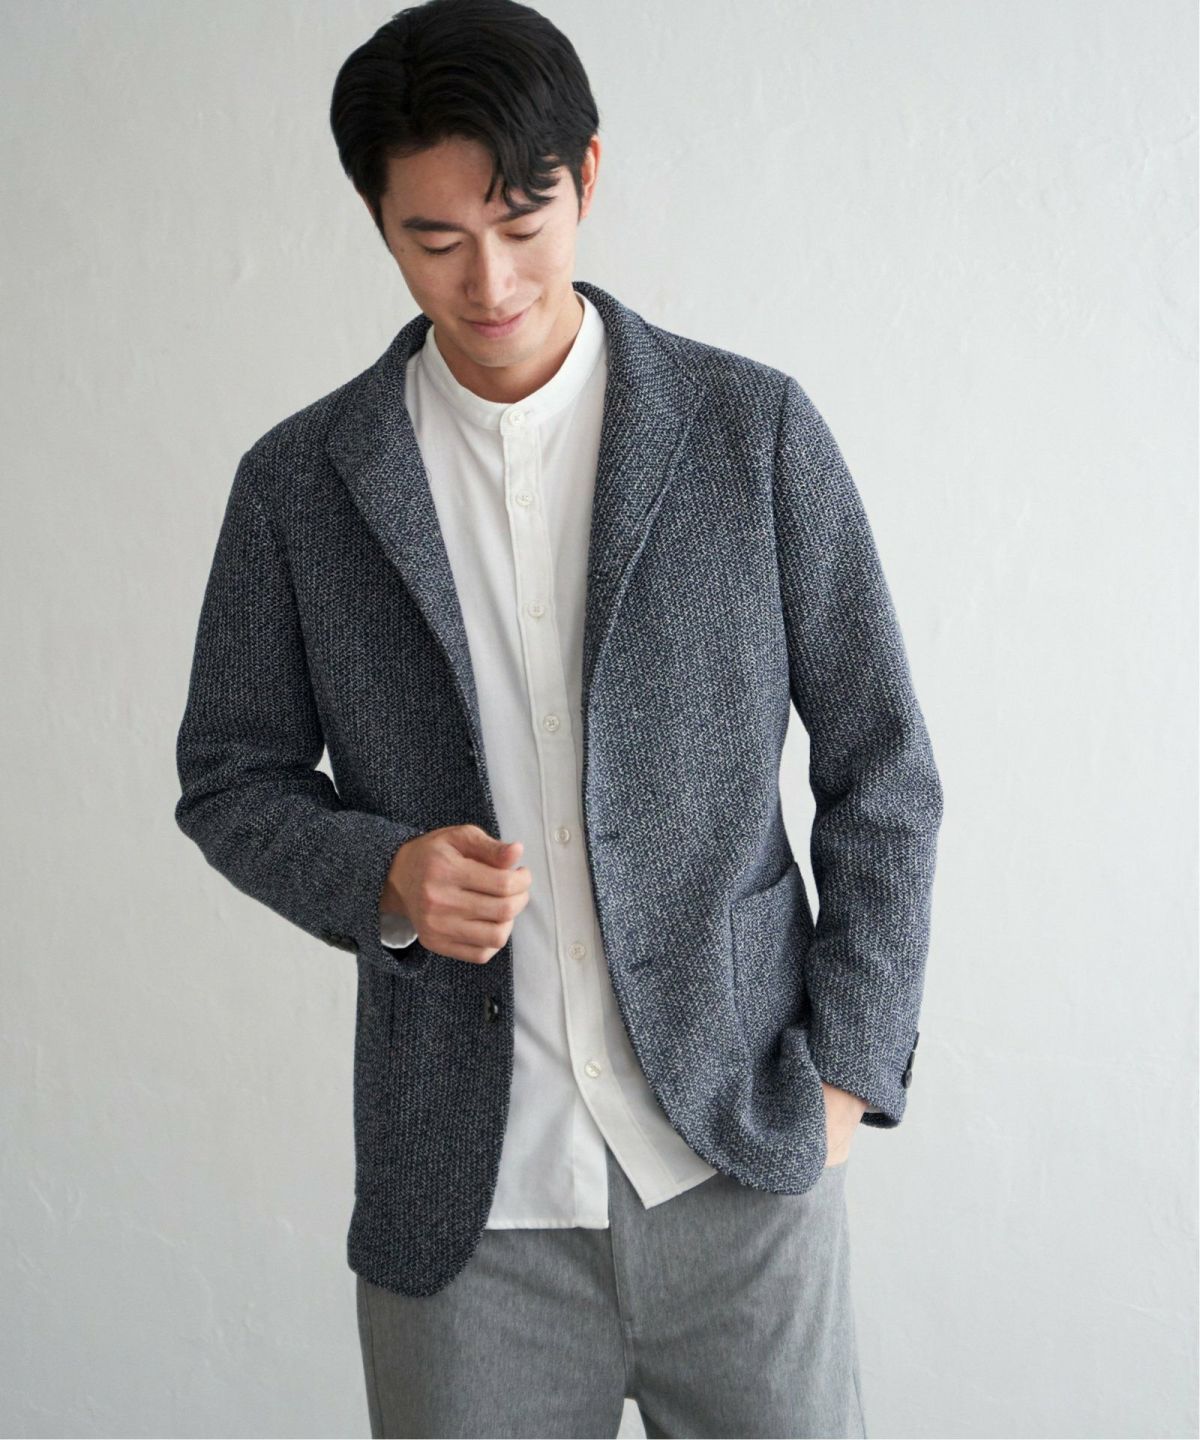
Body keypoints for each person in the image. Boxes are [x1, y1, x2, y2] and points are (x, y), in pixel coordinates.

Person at [174, 1, 944, 1434]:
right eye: (435, 239)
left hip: (740, 1169)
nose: (490, 280)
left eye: (522, 222)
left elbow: (883, 767)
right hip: (466, 1216)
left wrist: (848, 1069)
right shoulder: (298, 484)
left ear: (587, 175)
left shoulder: (752, 432)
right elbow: (229, 775)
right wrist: (383, 874)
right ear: (378, 221)